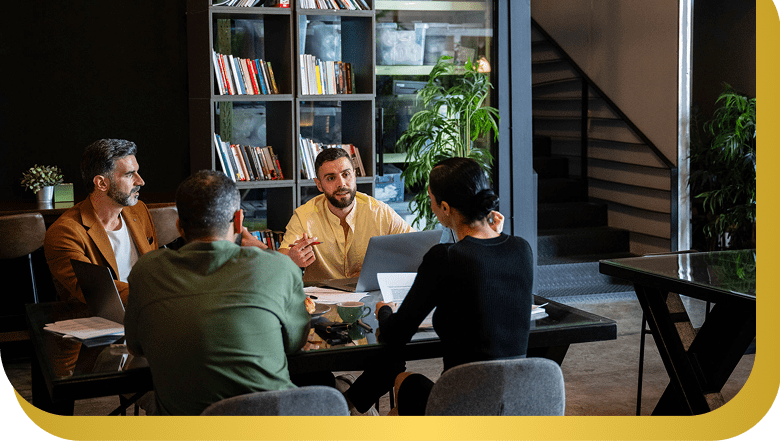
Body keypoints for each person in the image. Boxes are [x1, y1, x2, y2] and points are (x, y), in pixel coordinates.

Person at [342, 157, 534, 415]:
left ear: (445, 207)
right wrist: (493, 234)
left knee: (404, 381)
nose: (431, 205)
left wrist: (383, 311)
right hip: (513, 406)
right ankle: (346, 405)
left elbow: (396, 335)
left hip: (459, 409)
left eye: (431, 198)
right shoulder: (522, 249)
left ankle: (343, 407)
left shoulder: (445, 257)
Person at [124, 170, 310, 416]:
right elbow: (295, 343)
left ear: (179, 226)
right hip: (270, 426)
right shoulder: (279, 266)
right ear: (239, 220)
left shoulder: (145, 272)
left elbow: (136, 346)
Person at [44, 138, 158, 304]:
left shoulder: (139, 210)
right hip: (98, 319)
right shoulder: (64, 232)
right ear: (102, 183)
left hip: (148, 309)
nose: (140, 181)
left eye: (137, 172)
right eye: (129, 175)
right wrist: (158, 296)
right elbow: (96, 291)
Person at [279, 147, 412, 280]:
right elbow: (280, 262)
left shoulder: (379, 211)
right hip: (322, 299)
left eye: (346, 174)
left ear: (354, 175)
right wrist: (291, 260)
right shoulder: (304, 216)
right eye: (331, 178)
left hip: (370, 297)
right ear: (319, 184)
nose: (341, 183)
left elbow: (415, 249)